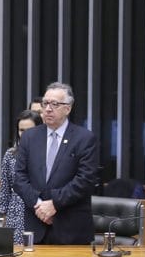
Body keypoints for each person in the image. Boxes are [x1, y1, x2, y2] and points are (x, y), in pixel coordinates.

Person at [13, 82, 99, 244]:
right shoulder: (30, 137)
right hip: (36, 226)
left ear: (68, 108)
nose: (48, 109)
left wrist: (54, 204)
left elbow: (85, 180)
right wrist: (39, 206)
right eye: (45, 103)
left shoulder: (84, 138)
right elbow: (19, 178)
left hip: (71, 228)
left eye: (55, 104)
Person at [0, 110, 43, 244]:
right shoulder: (10, 154)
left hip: (39, 211)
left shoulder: (47, 155)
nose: (25, 134)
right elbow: (5, 189)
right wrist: (4, 219)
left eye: (29, 130)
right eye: (21, 130)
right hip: (14, 214)